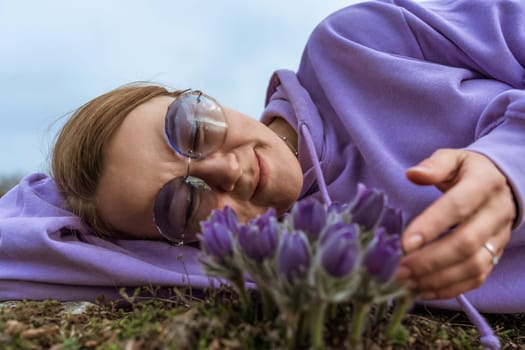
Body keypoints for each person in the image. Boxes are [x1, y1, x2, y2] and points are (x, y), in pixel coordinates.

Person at [1, 0, 524, 316]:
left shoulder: (360, 43)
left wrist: (509, 168)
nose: (224, 170)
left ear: (200, 95)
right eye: (182, 205)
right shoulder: (292, 266)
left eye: (190, 128)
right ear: (181, 249)